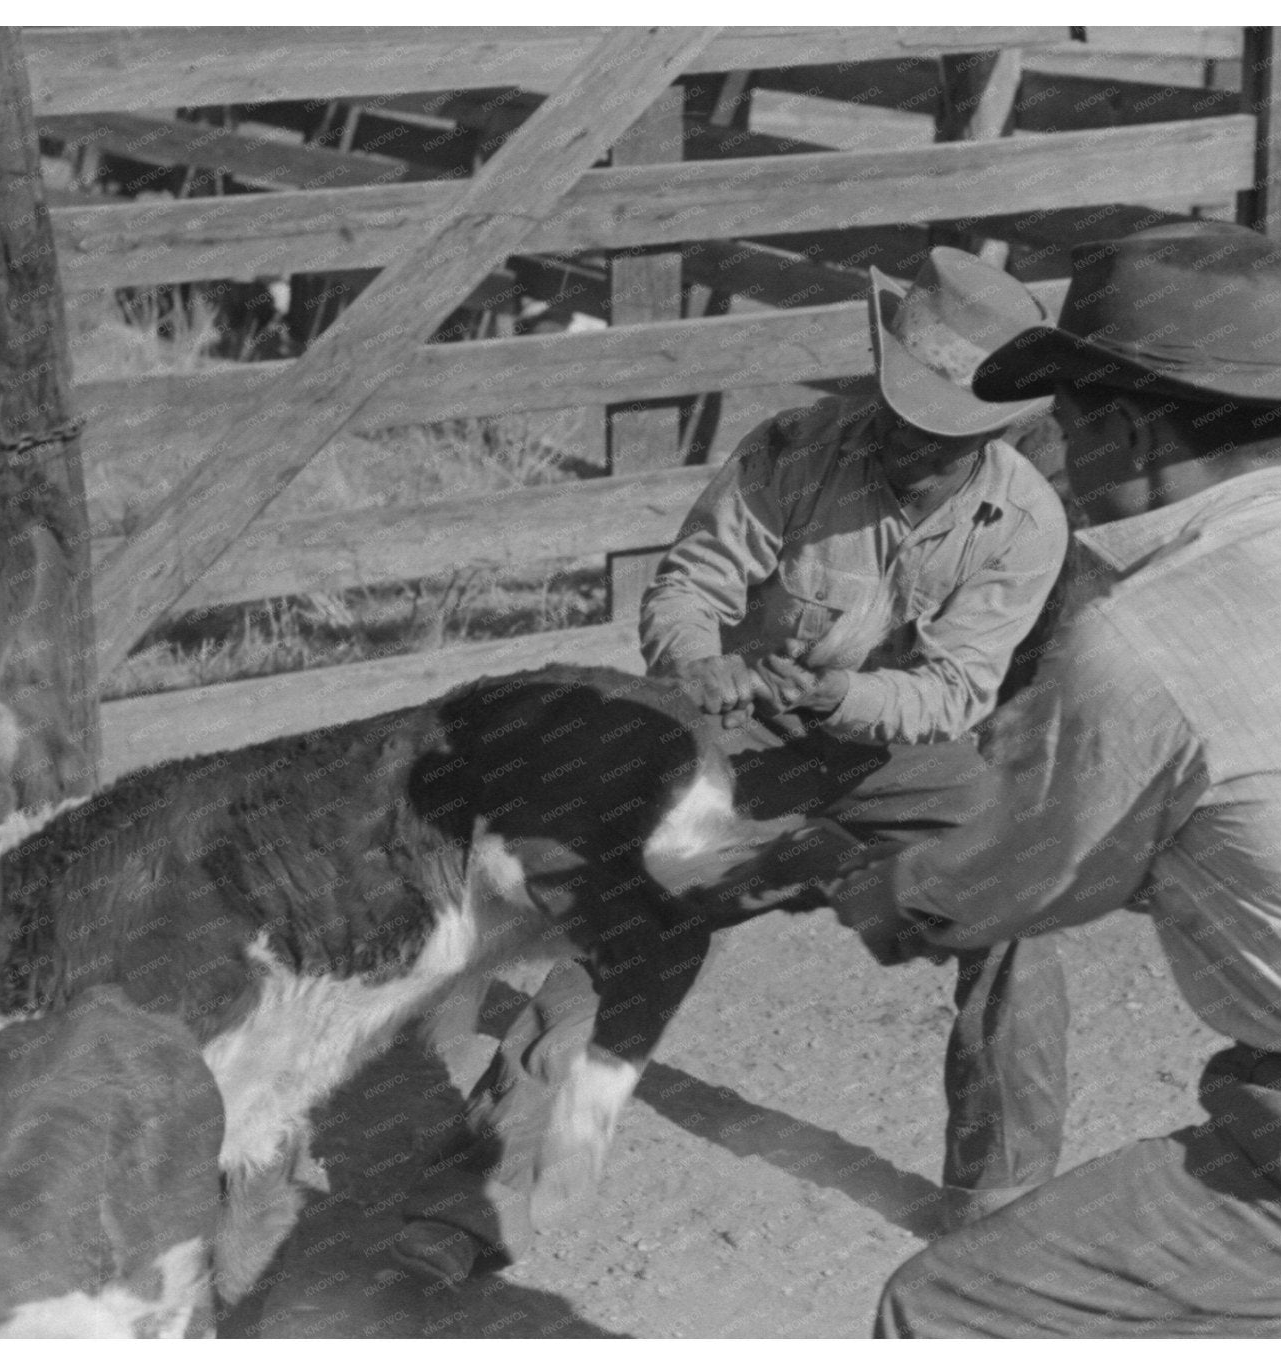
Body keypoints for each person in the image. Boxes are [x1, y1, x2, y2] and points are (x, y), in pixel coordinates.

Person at [822, 222, 1281, 1337]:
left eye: (1070, 428)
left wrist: (829, 875)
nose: (1064, 465)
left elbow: (1008, 887)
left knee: (946, 1306)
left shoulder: (1141, 632)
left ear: (1126, 426)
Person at [394, 247, 1075, 1282]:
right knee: (632, 933)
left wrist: (839, 694)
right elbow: (688, 586)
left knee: (1014, 907)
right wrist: (701, 663)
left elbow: (953, 693)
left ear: (996, 432)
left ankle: (997, 1198)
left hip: (902, 756)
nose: (911, 444)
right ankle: (489, 1199)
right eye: (900, 411)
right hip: (749, 740)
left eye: (943, 434)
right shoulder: (794, 448)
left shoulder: (1024, 523)